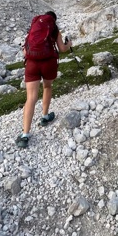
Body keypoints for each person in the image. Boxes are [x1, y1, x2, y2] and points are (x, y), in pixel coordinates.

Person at [15, 10, 71, 148]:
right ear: (54, 20)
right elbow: (62, 48)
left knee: (31, 98)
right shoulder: (54, 29)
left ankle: (25, 135)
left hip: (32, 64)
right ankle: (45, 117)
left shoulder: (35, 27)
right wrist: (69, 44)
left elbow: (25, 50)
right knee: (47, 87)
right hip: (48, 63)